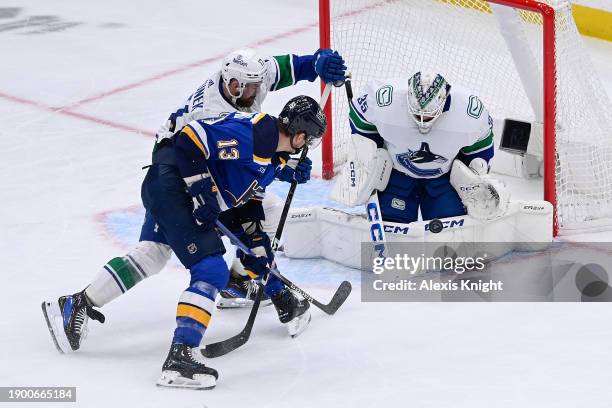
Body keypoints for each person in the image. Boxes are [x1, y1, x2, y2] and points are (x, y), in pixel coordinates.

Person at [41, 48, 346, 354]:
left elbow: (284, 69)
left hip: (180, 169)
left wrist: (316, 64)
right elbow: (207, 154)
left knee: (155, 252)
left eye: (256, 86)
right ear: (231, 85)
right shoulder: (214, 112)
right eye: (247, 88)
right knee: (235, 237)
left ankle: (77, 303)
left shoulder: (251, 77)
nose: (255, 93)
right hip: (179, 164)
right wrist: (206, 192)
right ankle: (230, 293)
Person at [148, 95, 326, 388]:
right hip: (174, 189)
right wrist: (201, 190)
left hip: (200, 199)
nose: (309, 147)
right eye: (311, 139)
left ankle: (279, 296)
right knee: (211, 270)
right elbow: (189, 139)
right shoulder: (252, 134)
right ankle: (179, 358)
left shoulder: (273, 156)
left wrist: (257, 245)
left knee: (256, 248)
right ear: (300, 135)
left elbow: (247, 202)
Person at [331, 71, 498, 222]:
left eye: (428, 115)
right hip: (397, 175)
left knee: (449, 228)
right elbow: (360, 119)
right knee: (390, 223)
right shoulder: (386, 99)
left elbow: (481, 148)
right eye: (417, 113)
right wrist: (369, 151)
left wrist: (473, 173)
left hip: (443, 180)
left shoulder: (467, 112)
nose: (422, 120)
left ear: (444, 101)